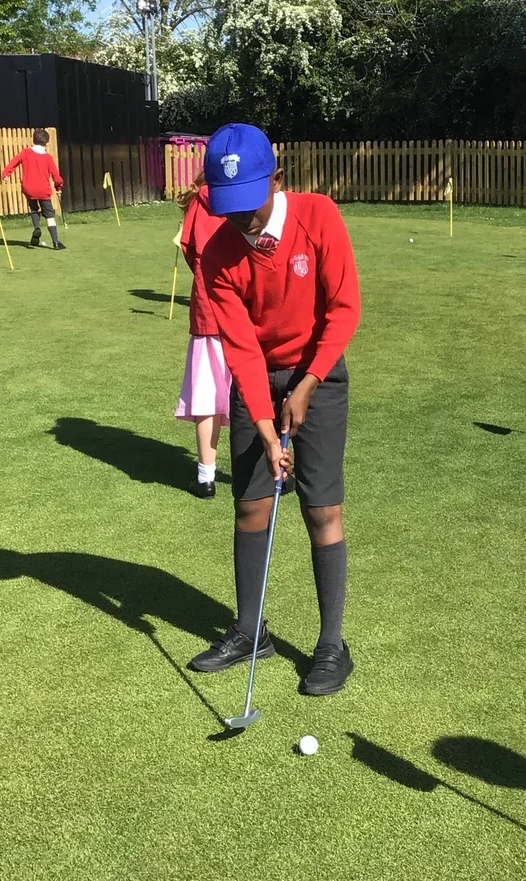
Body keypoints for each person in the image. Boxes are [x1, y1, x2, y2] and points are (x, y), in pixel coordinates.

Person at [190, 123, 361, 696]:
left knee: (320, 509)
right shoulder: (217, 251)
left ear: (278, 179)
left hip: (319, 373)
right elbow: (239, 346)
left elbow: (343, 309)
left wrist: (308, 385)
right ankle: (249, 631)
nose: (244, 220)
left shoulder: (319, 217)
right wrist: (266, 428)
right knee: (251, 507)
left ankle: (332, 646)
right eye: (229, 208)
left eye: (251, 205)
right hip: (258, 381)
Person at [174, 171, 233, 498]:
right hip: (244, 310)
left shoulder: (198, 202)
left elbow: (188, 247)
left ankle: (205, 477)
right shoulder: (246, 198)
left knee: (207, 396)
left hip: (209, 311)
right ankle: (263, 470)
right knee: (252, 392)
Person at [1, 128, 66, 250]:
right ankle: (56, 242)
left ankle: (36, 228)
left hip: (29, 188)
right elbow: (56, 176)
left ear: (34, 140)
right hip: (43, 189)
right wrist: (59, 187)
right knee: (49, 215)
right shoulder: (48, 158)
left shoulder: (25, 153)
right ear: (46, 142)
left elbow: (13, 162)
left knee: (34, 209)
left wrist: (6, 174)